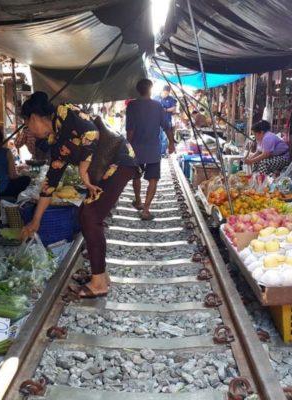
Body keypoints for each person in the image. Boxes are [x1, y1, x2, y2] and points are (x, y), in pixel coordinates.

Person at [19, 92, 139, 298]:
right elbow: (50, 183)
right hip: (110, 167)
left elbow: (91, 133)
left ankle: (99, 282)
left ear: (33, 117)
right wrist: (35, 221)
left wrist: (83, 169)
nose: (29, 130)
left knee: (90, 217)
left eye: (27, 125)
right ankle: (101, 276)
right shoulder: (58, 142)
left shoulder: (64, 111)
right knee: (87, 215)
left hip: (118, 163)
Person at [126, 79, 176, 220]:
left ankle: (138, 201)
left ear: (138, 90)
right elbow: (166, 127)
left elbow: (130, 129)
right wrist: (171, 143)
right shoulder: (158, 106)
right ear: (150, 90)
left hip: (136, 148)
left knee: (136, 176)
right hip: (153, 148)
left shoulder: (132, 106)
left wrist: (127, 146)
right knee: (153, 178)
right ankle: (146, 210)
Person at [154, 86, 177, 157]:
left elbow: (174, 108)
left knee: (164, 137)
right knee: (157, 136)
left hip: (167, 121)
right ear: (162, 91)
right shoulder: (156, 98)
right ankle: (156, 152)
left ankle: (162, 153)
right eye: (165, 93)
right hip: (156, 121)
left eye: (167, 93)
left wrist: (166, 110)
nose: (166, 94)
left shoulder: (171, 99)